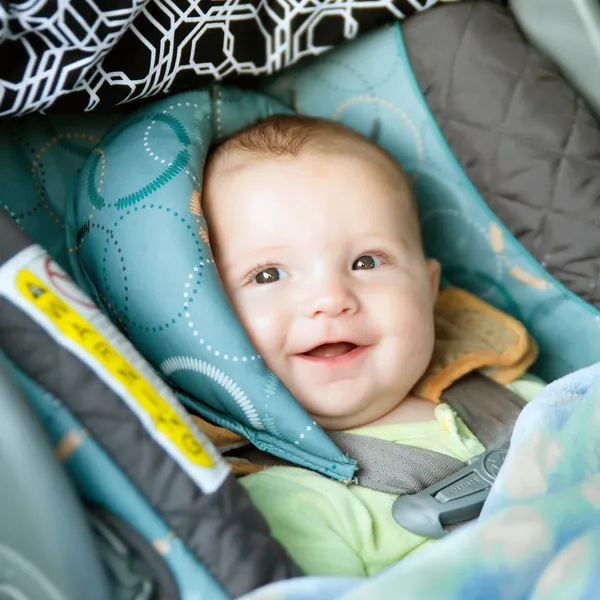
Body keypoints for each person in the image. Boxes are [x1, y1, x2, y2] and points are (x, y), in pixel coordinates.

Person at [202, 114, 545, 577]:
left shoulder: (526, 401)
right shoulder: (284, 505)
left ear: (428, 289)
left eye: (366, 261)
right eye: (268, 275)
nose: (331, 299)